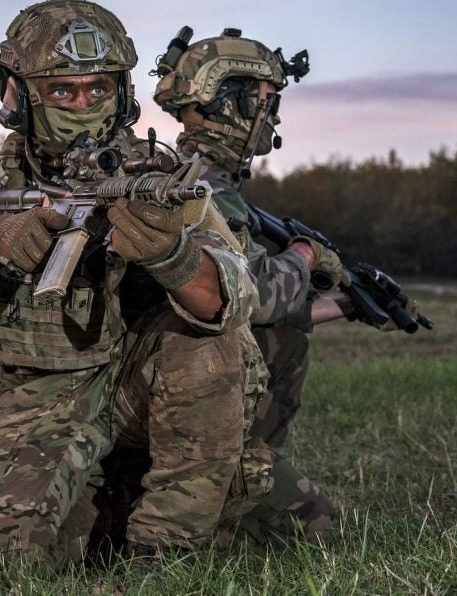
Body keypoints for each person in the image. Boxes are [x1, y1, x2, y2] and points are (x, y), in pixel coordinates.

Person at [0, 0, 265, 567]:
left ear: (122, 93)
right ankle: (103, 508)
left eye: (98, 88)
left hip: (143, 386)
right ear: (18, 93)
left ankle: (166, 552)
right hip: (37, 391)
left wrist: (173, 256)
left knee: (212, 349)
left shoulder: (161, 178)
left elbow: (236, 297)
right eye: (61, 91)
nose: (83, 106)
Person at [150, 27, 357, 545]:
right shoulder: (203, 189)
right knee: (319, 528)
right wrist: (305, 254)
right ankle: (229, 483)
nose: (276, 117)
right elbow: (257, 297)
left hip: (153, 385)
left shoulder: (175, 173)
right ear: (234, 101)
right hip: (171, 394)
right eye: (269, 101)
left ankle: (230, 481)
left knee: (286, 337)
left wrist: (350, 304)